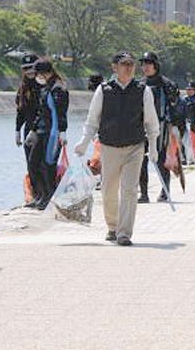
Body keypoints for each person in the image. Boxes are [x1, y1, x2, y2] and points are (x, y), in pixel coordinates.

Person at [74, 51, 160, 246]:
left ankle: (124, 233)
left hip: (134, 147)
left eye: (131, 64)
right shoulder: (104, 90)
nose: (128, 68)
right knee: (109, 190)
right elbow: (92, 121)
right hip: (109, 146)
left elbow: (152, 123)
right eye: (124, 64)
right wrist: (84, 142)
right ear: (115, 67)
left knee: (129, 190)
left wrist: (153, 147)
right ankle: (112, 226)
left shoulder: (143, 90)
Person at [24, 58, 69, 210]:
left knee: (48, 165)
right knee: (33, 162)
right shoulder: (45, 88)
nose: (36, 77)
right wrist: (33, 130)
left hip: (53, 133)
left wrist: (63, 131)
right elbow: (41, 112)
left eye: (38, 73)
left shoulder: (58, 88)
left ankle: (49, 197)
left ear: (45, 73)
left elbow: (61, 112)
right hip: (41, 131)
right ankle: (41, 194)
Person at [136, 52, 180, 203]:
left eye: (148, 63)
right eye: (143, 64)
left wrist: (174, 127)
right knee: (141, 160)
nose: (145, 67)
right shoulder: (139, 84)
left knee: (160, 159)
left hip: (161, 126)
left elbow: (175, 105)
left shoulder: (166, 84)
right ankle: (143, 193)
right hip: (141, 127)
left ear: (155, 65)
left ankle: (165, 190)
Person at [15, 54, 42, 202]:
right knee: (30, 165)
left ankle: (45, 195)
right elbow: (21, 111)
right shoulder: (23, 87)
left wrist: (35, 129)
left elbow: (44, 110)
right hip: (27, 131)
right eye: (25, 69)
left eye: (31, 68)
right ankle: (36, 195)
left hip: (43, 130)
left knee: (40, 163)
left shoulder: (43, 85)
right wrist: (17, 130)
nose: (29, 71)